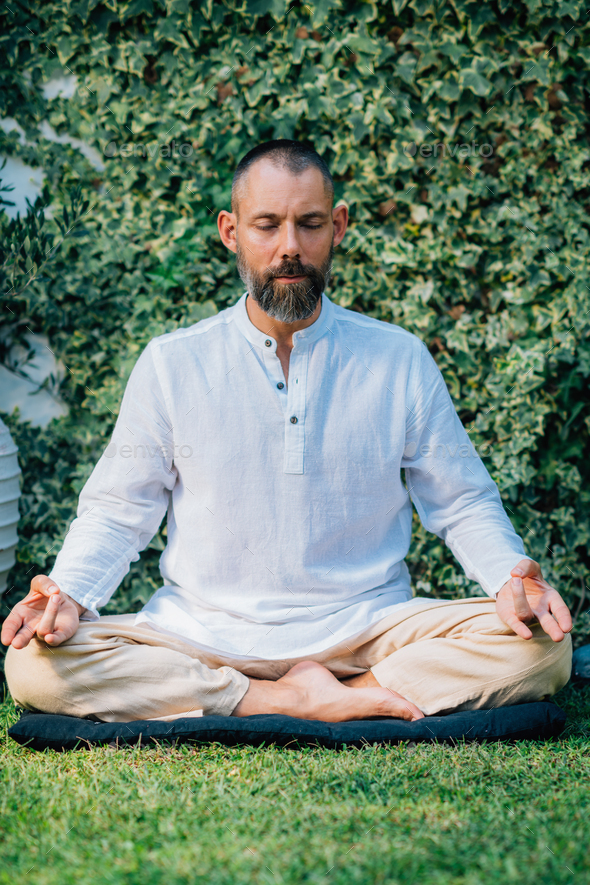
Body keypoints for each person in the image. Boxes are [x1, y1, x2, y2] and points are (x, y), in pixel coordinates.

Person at [2, 139, 572, 725]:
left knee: (541, 647)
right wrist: (68, 593)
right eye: (267, 226)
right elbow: (120, 510)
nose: (290, 249)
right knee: (33, 664)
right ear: (231, 231)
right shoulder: (172, 362)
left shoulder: (397, 358)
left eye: (310, 224)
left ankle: (317, 690)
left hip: (367, 630)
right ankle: (293, 700)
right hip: (203, 631)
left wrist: (509, 577)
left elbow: (462, 500)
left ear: (339, 226)